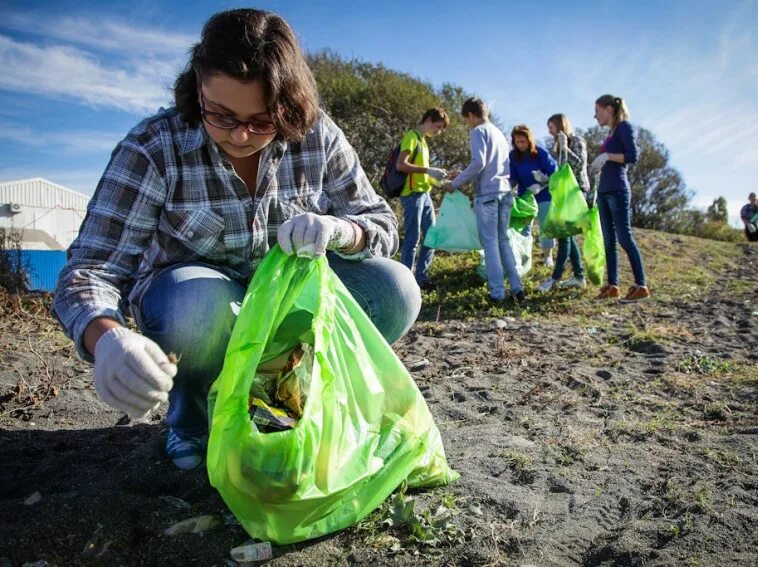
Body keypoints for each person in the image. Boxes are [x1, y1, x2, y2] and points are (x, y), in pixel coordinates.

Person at [51, 9, 417, 471]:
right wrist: (106, 339)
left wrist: (342, 230)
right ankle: (195, 418)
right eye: (221, 116)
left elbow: (379, 222)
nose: (241, 135)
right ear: (197, 87)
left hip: (288, 298)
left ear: (289, 105)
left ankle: (289, 398)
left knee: (395, 289)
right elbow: (90, 269)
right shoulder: (152, 148)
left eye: (261, 121)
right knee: (195, 306)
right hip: (199, 305)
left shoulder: (317, 133)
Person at [442, 97, 523, 302]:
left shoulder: (478, 131)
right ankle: (517, 288)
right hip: (505, 192)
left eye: (466, 119)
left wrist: (455, 182)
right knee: (503, 241)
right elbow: (490, 165)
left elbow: (479, 162)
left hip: (487, 195)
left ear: (471, 115)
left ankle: (497, 294)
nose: (467, 123)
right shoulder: (499, 133)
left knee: (490, 244)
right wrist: (463, 174)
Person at [590, 95, 649, 302]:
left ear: (608, 109)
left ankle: (641, 285)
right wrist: (600, 166)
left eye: (597, 110)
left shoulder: (625, 127)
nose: (595, 115)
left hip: (618, 190)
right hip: (604, 190)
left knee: (624, 237)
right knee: (609, 241)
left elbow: (632, 156)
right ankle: (612, 285)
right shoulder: (612, 133)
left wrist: (607, 156)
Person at [396, 108, 450, 290]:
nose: (439, 131)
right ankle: (406, 282)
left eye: (441, 129)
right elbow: (401, 165)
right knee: (412, 238)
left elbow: (424, 176)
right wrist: (428, 170)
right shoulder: (412, 137)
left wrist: (443, 179)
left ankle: (421, 277)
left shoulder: (424, 142)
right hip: (411, 195)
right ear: (428, 119)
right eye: (438, 126)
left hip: (424, 194)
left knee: (432, 235)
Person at [537, 113, 590, 292]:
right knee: (568, 237)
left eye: (552, 127)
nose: (550, 132)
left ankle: (555, 279)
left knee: (564, 235)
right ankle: (579, 277)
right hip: (563, 192)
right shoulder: (557, 145)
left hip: (575, 191)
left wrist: (565, 147)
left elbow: (579, 164)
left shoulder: (577, 141)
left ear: (561, 125)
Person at [507, 124, 557, 264]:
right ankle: (524, 255)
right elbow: (513, 177)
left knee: (545, 224)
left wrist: (542, 183)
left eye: (523, 141)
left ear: (529, 140)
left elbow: (554, 172)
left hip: (544, 193)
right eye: (517, 142)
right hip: (526, 195)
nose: (520, 145)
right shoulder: (513, 156)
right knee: (524, 225)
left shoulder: (540, 153)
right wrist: (507, 188)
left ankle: (547, 255)